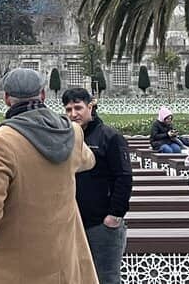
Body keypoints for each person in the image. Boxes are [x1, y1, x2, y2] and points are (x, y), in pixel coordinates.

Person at [0, 68, 98, 284]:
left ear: (7, 99)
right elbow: (89, 160)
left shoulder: (2, 141)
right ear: (43, 95)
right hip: (62, 257)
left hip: (16, 262)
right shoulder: (72, 132)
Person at [63, 88, 132, 284]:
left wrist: (115, 215)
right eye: (68, 109)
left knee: (106, 278)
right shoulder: (66, 138)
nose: (73, 114)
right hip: (73, 224)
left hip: (102, 225)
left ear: (90, 107)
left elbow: (124, 176)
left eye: (78, 107)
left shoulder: (110, 136)